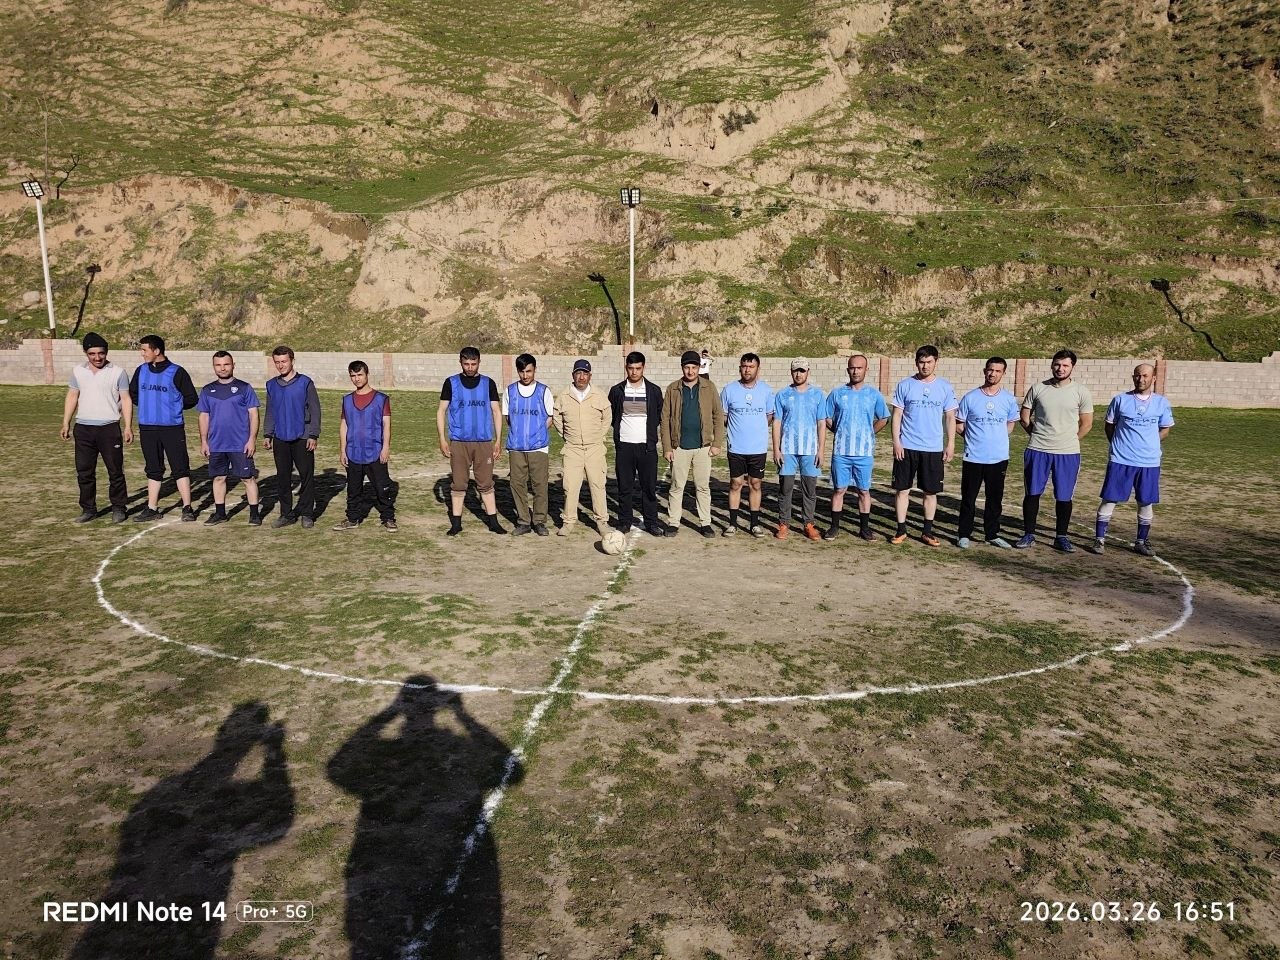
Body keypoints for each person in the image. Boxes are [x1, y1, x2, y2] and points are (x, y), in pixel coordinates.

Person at [1090, 363, 1174, 557]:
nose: (1141, 379)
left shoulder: (1161, 403)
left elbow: (1165, 429)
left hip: (1149, 462)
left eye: (1145, 376)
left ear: (1153, 378)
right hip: (1121, 459)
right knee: (1110, 499)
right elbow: (1109, 426)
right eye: (1137, 375)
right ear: (1133, 377)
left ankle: (1141, 542)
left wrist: (1150, 443)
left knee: (1145, 502)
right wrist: (1119, 445)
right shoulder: (1120, 400)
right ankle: (1099, 540)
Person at [1016, 349, 1093, 552]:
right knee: (1032, 493)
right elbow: (1024, 417)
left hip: (1067, 453)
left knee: (1064, 496)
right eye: (1057, 364)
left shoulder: (1081, 391)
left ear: (1072, 367)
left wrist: (1070, 440)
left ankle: (1061, 536)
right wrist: (1037, 435)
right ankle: (1029, 534)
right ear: (1052, 365)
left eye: (1065, 365)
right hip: (1038, 449)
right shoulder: (1038, 388)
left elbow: (1087, 423)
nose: (1061, 368)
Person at [61, 332, 132, 523]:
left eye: (101, 353)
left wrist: (127, 427)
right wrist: (66, 422)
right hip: (83, 428)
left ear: (106, 352)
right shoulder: (78, 371)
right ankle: (88, 509)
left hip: (109, 428)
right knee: (84, 472)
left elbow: (126, 399)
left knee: (115, 471)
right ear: (86, 353)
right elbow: (72, 396)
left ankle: (119, 508)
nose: (97, 357)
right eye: (92, 354)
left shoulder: (118, 372)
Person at [890, 344, 957, 546]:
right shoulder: (905, 385)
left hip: (933, 449)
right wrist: (896, 442)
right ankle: (901, 530)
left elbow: (950, 417)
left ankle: (927, 532)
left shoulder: (945, 387)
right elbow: (897, 415)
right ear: (916, 363)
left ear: (936, 362)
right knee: (902, 490)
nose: (925, 366)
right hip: (907, 446)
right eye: (921, 362)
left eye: (929, 362)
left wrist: (950, 444)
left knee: (930, 492)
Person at [130, 333, 199, 522]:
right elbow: (133, 394)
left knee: (180, 467)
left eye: (144, 350)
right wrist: (149, 406)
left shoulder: (177, 372)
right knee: (153, 468)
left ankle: (187, 507)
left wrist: (172, 407)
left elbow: (191, 398)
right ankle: (152, 508)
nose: (142, 353)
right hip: (147, 428)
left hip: (172, 428)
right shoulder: (140, 371)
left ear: (157, 351)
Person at [953, 357, 1020, 549]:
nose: (993, 374)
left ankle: (992, 534)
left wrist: (996, 438)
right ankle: (964, 534)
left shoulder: (1008, 399)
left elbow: (1010, 424)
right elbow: (959, 425)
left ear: (1003, 373)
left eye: (998, 371)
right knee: (969, 498)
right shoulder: (970, 397)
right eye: (990, 370)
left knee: (994, 499)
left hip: (998, 458)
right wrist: (974, 439)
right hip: (973, 457)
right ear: (984, 371)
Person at [437, 346, 504, 536]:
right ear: (460, 362)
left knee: (486, 483)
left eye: (473, 364)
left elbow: (496, 411)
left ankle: (493, 522)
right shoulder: (451, 383)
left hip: (483, 442)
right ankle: (456, 524)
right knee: (459, 483)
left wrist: (498, 440)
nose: (470, 367)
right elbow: (441, 411)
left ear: (479, 362)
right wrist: (442, 439)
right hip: (459, 442)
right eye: (466, 364)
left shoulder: (488, 383)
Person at [823, 353, 888, 541]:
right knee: (839, 490)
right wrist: (837, 429)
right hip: (841, 452)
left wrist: (869, 432)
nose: (856, 371)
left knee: (863, 491)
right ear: (847, 369)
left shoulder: (873, 395)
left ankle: (864, 528)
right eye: (852, 367)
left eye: (859, 368)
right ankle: (834, 527)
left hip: (864, 453)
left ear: (866, 370)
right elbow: (826, 416)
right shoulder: (837, 393)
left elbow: (883, 418)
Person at [661, 350, 724, 537]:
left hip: (703, 447)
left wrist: (716, 443)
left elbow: (718, 415)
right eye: (687, 367)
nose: (690, 371)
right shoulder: (673, 389)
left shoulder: (709, 387)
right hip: (679, 447)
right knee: (676, 486)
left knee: (703, 487)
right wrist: (667, 447)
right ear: (682, 368)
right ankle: (673, 522)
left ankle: (705, 523)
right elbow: (665, 419)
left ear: (699, 368)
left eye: (694, 367)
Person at [197, 351, 262, 526]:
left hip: (240, 444)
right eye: (218, 365)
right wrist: (204, 441)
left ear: (233, 365)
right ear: (213, 367)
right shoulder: (207, 390)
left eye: (226, 364)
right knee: (219, 478)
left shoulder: (244, 388)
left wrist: (252, 439)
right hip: (216, 444)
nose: (222, 368)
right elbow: (204, 416)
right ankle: (220, 514)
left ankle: (254, 514)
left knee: (247, 478)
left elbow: (254, 415)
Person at [333, 360, 396, 532]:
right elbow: (344, 425)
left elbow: (386, 424)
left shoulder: (381, 399)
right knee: (353, 489)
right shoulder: (347, 400)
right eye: (353, 375)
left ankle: (388, 518)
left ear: (367, 374)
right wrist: (342, 450)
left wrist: (385, 447)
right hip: (353, 451)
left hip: (375, 451)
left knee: (382, 488)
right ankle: (353, 519)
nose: (356, 379)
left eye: (359, 374)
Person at [608, 351, 665, 537]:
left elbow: (658, 415)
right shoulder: (617, 390)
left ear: (643, 368)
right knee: (625, 488)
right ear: (626, 368)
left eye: (638, 368)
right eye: (631, 368)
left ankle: (651, 523)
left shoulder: (654, 391)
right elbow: (613, 415)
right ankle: (624, 522)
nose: (634, 372)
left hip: (647, 446)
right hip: (624, 445)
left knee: (649, 487)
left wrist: (649, 435)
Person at [263, 345, 322, 529]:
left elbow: (315, 410)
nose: (281, 365)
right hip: (280, 438)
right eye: (277, 362)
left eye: (284, 361)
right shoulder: (271, 385)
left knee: (306, 476)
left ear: (292, 361)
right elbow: (270, 411)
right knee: (283, 478)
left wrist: (313, 434)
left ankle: (307, 513)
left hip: (303, 436)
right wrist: (268, 433)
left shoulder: (305, 383)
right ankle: (286, 514)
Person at [553, 359, 611, 535]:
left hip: (595, 448)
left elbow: (607, 418)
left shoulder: (599, 395)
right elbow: (557, 418)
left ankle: (602, 521)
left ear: (590, 376)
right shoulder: (564, 395)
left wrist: (598, 436)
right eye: (578, 373)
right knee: (570, 487)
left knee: (598, 486)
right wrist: (567, 436)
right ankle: (568, 522)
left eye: (585, 373)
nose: (581, 377)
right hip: (573, 448)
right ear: (573, 375)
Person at [719, 352, 774, 537]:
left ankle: (754, 524)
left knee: (755, 484)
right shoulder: (729, 390)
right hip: (736, 447)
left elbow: (769, 416)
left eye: (751, 366)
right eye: (744, 366)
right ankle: (733, 523)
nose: (747, 370)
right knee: (736, 483)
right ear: (739, 368)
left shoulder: (766, 391)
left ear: (758, 368)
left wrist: (755, 429)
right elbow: (724, 416)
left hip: (757, 448)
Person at [772, 358, 827, 540]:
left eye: (802, 371)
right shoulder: (782, 395)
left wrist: (821, 449)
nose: (798, 374)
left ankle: (808, 523)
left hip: (810, 450)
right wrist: (776, 449)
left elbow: (821, 423)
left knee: (809, 489)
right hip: (787, 449)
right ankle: (784, 523)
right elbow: (777, 423)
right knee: (785, 488)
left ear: (808, 372)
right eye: (796, 370)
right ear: (791, 372)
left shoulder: (817, 395)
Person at [503, 353, 554, 536]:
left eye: (529, 371)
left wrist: (536, 433)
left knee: (540, 485)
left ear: (535, 370)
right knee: (517, 484)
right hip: (516, 447)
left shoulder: (544, 391)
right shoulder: (509, 391)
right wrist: (519, 434)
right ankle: (524, 521)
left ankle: (539, 521)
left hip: (538, 447)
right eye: (522, 371)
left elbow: (550, 417)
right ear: (518, 371)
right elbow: (508, 418)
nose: (525, 375)